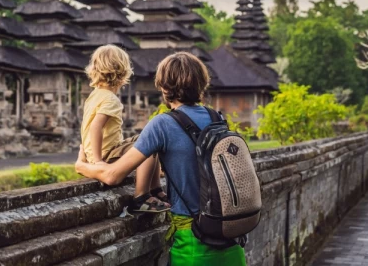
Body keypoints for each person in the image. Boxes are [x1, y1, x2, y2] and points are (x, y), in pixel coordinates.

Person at [76, 52, 247, 265]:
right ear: (202, 84)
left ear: (165, 88)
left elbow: (112, 176)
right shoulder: (217, 118)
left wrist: (83, 166)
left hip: (194, 245)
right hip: (233, 244)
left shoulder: (162, 124)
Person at [81, 44, 170, 212]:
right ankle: (141, 196)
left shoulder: (94, 96)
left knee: (145, 138)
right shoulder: (110, 99)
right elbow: (95, 127)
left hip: (97, 152)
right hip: (107, 153)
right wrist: (99, 161)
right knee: (149, 144)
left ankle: (155, 188)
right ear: (123, 72)